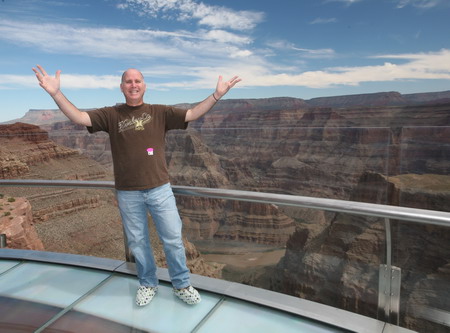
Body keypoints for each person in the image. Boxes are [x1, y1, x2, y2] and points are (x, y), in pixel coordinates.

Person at [32, 65, 241, 306]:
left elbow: (192, 114)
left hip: (160, 189)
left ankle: (181, 284)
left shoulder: (160, 112)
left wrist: (217, 95)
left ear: (144, 85)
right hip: (128, 193)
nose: (133, 85)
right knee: (139, 243)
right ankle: (148, 283)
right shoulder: (111, 114)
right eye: (128, 81)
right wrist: (55, 93)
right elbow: (79, 117)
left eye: (137, 81)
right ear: (122, 87)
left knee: (172, 239)